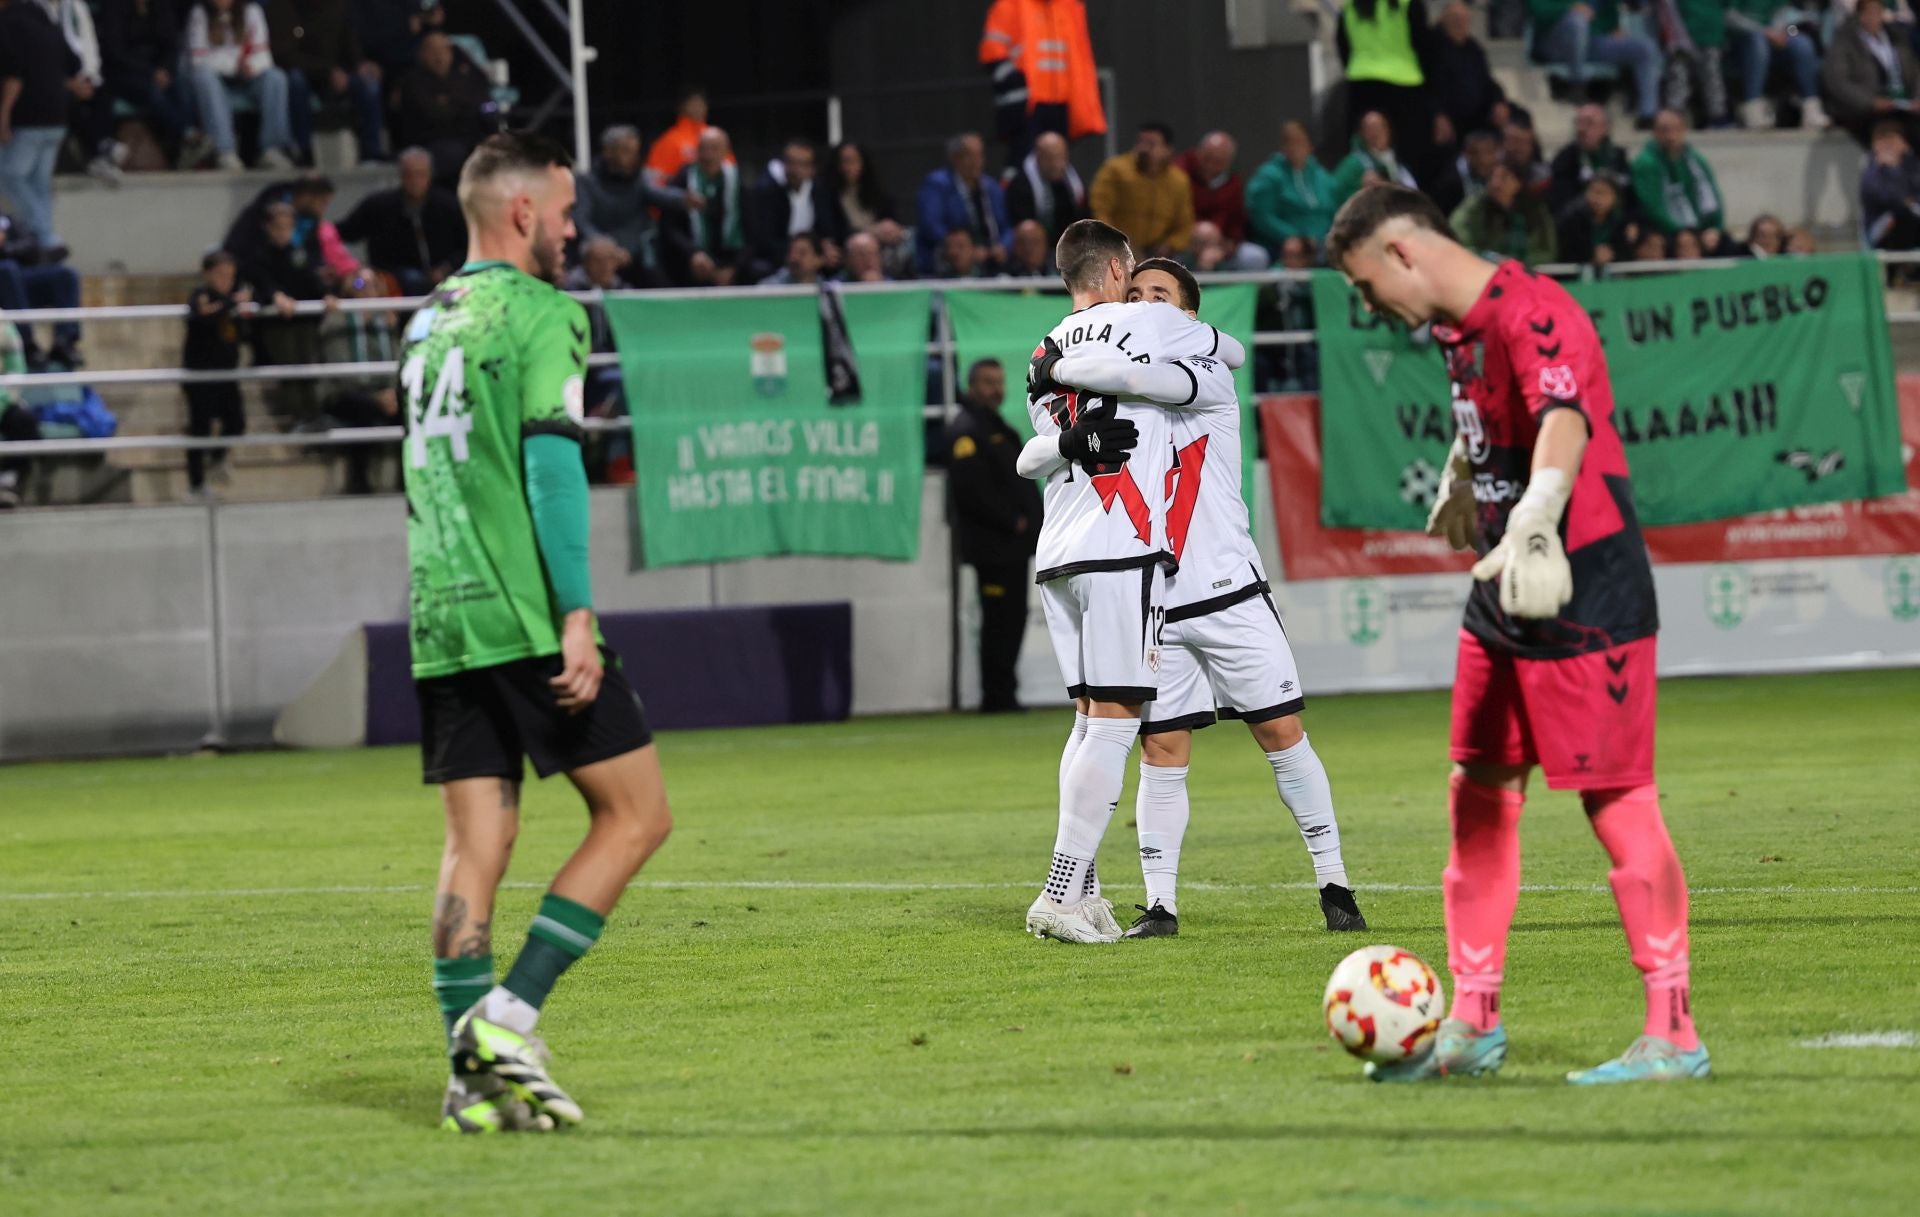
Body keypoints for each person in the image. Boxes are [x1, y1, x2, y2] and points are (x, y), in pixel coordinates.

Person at [1326, 183, 1706, 1085]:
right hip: (1503, 585)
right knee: (1478, 790)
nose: (1368, 304)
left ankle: (1674, 1031)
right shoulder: (1455, 328)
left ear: (1404, 252)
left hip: (1582, 582)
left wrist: (1538, 507)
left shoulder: (1533, 310)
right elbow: (1511, 415)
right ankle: (1472, 1019)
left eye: (1366, 282)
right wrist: (1473, 468)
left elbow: (1565, 416)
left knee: (1616, 800)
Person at [405, 129, 672, 1135]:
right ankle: (508, 1021)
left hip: (440, 609)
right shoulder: (543, 312)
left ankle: (467, 1075)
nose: (573, 228)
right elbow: (554, 469)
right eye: (564, 211)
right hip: (522, 605)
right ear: (522, 211)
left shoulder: (428, 319)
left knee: (477, 841)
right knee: (638, 815)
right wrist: (575, 612)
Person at [1027, 258, 1364, 937]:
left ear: (1187, 314)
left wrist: (1056, 362)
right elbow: (1040, 451)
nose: (1144, 306)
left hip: (1227, 584)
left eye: (1161, 297)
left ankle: (1336, 885)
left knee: (1281, 732)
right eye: (1137, 294)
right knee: (1162, 750)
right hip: (1152, 589)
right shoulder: (1111, 396)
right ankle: (1161, 903)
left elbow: (1138, 375)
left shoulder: (1205, 375)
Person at [1012, 217, 1244, 945]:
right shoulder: (1151, 320)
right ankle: (1058, 890)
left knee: (1086, 719)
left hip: (1060, 547)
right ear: (1117, 269)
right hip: (1123, 542)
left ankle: (1080, 891)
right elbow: (1232, 348)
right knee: (1116, 720)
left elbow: (1037, 451)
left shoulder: (1042, 348)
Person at [943, 357, 1042, 714]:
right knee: (999, 622)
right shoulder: (966, 430)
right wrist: (1012, 520)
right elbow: (972, 492)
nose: (995, 389)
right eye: (988, 382)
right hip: (993, 549)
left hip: (1013, 549)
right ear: (971, 386)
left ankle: (1004, 691)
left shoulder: (995, 427)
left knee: (1011, 620)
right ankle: (995, 695)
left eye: (999, 382)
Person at [979, 0, 1106, 163]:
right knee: (1023, 161)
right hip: (1026, 104)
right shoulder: (1010, 6)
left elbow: (1080, 58)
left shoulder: (1069, 8)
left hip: (1063, 104)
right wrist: (1016, 83)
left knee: (1057, 165)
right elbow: (993, 53)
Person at [263, 0, 385, 163]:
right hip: (305, 72)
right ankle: (304, 151)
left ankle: (371, 153)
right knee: (295, 81)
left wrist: (359, 64)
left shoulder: (338, 5)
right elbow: (284, 55)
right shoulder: (282, 7)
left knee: (369, 85)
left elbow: (348, 39)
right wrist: (327, 71)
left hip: (336, 73)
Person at [335, 146, 468, 295]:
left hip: (446, 275)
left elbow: (467, 245)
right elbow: (344, 232)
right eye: (408, 174)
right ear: (401, 175)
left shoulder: (449, 205)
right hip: (393, 278)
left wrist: (446, 267)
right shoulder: (379, 206)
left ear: (430, 175)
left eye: (420, 174)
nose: (414, 181)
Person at [0, 0, 79, 246]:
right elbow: (73, 62)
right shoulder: (46, 19)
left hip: (29, 116)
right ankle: (45, 241)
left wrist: (3, 118)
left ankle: (44, 235)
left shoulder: (7, 22)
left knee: (9, 175)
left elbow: (14, 77)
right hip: (57, 115)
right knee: (39, 184)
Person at [185, 0, 298, 171]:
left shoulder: (252, 11)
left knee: (276, 77)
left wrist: (252, 66)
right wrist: (233, 64)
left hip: (247, 80)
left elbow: (263, 55)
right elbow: (198, 58)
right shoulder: (200, 13)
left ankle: (272, 150)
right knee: (203, 77)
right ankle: (224, 150)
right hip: (218, 81)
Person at [572, 125, 689, 289]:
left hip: (633, 258)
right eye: (626, 151)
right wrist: (608, 249)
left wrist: (683, 198)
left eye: (635, 151)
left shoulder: (640, 179)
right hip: (597, 258)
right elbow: (582, 221)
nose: (633, 157)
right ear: (608, 152)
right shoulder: (586, 182)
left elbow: (658, 193)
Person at [95, 0, 207, 168]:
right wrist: (150, 72)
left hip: (159, 70)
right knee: (153, 91)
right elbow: (115, 51)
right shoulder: (114, 6)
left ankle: (185, 143)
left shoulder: (161, 5)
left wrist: (164, 69)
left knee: (181, 85)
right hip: (123, 72)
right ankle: (187, 135)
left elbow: (171, 45)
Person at [1529, 0, 1663, 130]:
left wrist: (1614, 27)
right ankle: (1577, 87)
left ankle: (1648, 115)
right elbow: (1538, 10)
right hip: (1554, 42)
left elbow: (1609, 13)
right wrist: (1569, 8)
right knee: (1577, 22)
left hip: (1591, 43)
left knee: (1644, 48)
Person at [180, 250, 249, 498]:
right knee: (200, 428)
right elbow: (202, 318)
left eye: (230, 276)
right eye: (220, 275)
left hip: (226, 373)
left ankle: (218, 456)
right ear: (207, 274)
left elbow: (240, 333)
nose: (226, 281)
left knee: (237, 422)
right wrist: (230, 304)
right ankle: (196, 484)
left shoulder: (231, 303)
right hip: (200, 375)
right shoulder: (200, 296)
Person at [1337, 0, 1435, 176]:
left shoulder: (1351, 7)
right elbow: (1423, 44)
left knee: (1364, 151)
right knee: (1408, 154)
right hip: (1403, 84)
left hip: (1362, 84)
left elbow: (1343, 45)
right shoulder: (1408, 4)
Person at [394, 30, 492, 183]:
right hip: (432, 142)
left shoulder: (466, 75)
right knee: (454, 155)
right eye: (433, 51)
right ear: (421, 54)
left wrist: (453, 103)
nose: (439, 56)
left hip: (469, 136)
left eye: (444, 50)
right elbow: (434, 115)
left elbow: (484, 103)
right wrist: (464, 105)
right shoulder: (413, 82)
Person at [746, 137, 847, 283]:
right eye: (790, 163)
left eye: (802, 164)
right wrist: (796, 253)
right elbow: (764, 240)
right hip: (781, 257)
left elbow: (830, 229)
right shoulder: (767, 192)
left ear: (812, 169)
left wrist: (825, 247)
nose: (795, 170)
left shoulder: (821, 191)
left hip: (814, 255)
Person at [1090, 121, 1195, 259]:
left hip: (1160, 253)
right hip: (1117, 247)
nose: (1143, 148)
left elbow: (1184, 224)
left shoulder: (1179, 180)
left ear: (1168, 150)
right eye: (1140, 142)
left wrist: (1171, 244)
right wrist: (1118, 241)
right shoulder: (1115, 170)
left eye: (1151, 144)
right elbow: (1100, 211)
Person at [1821, 0, 1920, 147]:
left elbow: (1914, 71)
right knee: (1888, 132)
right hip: (1862, 110)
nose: (1875, 18)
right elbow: (1838, 81)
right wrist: (1870, 102)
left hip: (1901, 104)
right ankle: (1886, 166)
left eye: (1878, 12)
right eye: (1871, 13)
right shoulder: (1846, 41)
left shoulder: (1896, 37)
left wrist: (1917, 97)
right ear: (1860, 15)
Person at [1423, 1, 1512, 164]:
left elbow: (1488, 82)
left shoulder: (1473, 49)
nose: (1460, 24)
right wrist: (1437, 114)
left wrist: (1499, 101)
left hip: (1478, 114)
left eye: (1464, 19)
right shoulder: (1432, 47)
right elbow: (1427, 87)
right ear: (1443, 20)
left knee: (1519, 119)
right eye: (1455, 19)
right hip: (1447, 115)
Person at [915, 131, 1012, 274]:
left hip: (992, 256)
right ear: (955, 158)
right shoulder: (937, 184)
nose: (975, 162)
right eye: (969, 156)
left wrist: (1003, 246)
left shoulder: (991, 186)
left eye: (979, 155)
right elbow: (931, 225)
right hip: (950, 258)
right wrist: (965, 248)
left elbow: (1007, 225)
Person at [660, 126, 745, 287]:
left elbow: (750, 231)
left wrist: (734, 267)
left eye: (714, 149)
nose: (708, 155)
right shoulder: (683, 179)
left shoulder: (736, 181)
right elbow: (669, 227)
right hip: (691, 259)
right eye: (703, 149)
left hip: (729, 260)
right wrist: (693, 254)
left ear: (726, 151)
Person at [1631, 108, 1726, 249]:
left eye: (1676, 129)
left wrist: (1715, 229)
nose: (1671, 136)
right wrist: (1683, 232)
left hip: (1699, 230)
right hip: (1665, 232)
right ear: (1655, 132)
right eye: (1664, 130)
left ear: (1684, 129)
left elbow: (1714, 197)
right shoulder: (1646, 163)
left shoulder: (1695, 160)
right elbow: (1652, 208)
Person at [0, 205, 83, 366]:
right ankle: (26, 343)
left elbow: (32, 247)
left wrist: (5, 247)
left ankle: (64, 341)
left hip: (20, 280)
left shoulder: (10, 220)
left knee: (66, 275)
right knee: (7, 269)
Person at [1725, 0, 1824, 130]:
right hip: (1737, 43)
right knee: (1757, 41)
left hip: (1770, 39)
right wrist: (1764, 31)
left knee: (1802, 44)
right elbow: (1728, 16)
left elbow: (1780, 12)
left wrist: (1778, 31)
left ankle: (1811, 108)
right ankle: (1752, 108)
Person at [1179, 131, 1269, 270]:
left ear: (1228, 162)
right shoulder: (1180, 175)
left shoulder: (1234, 184)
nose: (1210, 165)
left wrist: (1226, 246)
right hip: (1186, 242)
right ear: (1198, 153)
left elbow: (1236, 224)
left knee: (1256, 257)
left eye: (1218, 161)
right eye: (1207, 157)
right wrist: (1195, 239)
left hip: (1221, 246)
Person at [1246, 120, 1340, 252]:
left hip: (1323, 241)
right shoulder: (1268, 176)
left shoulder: (1322, 177)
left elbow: (1334, 213)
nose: (1295, 147)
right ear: (1283, 147)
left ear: (1310, 146)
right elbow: (1263, 217)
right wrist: (1296, 237)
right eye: (1290, 142)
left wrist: (1327, 237)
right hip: (1284, 243)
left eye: (1300, 142)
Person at [1451, 159, 1558, 264]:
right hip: (1484, 271)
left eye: (1504, 178)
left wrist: (1518, 262)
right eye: (1492, 178)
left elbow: (1548, 251)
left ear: (1518, 183)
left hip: (1528, 272)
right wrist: (1489, 257)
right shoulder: (1474, 208)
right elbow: (1458, 240)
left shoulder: (1535, 209)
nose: (1495, 183)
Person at [1005, 131, 1089, 245]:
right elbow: (1020, 222)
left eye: (1060, 157)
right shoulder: (1021, 184)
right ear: (1038, 156)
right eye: (1049, 158)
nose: (1055, 164)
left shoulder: (1074, 182)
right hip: (1037, 246)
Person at [1549, 102, 1633, 213]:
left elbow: (1630, 199)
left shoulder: (1618, 157)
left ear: (1605, 128)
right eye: (1579, 123)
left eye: (1589, 123)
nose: (1581, 129)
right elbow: (1563, 207)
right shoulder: (1565, 161)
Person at [1660, 0, 1731, 130]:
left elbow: (1726, 6)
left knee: (1712, 76)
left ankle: (1717, 117)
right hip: (1679, 33)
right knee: (1679, 77)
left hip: (1710, 31)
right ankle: (1674, 117)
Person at [1331, 111, 1420, 208]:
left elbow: (1414, 196)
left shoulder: (1398, 165)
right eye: (1368, 128)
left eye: (1378, 127)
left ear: (1388, 130)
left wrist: (1385, 186)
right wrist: (1360, 191)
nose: (1374, 133)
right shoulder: (1352, 164)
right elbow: (1333, 195)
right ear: (1361, 134)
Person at [1863, 118, 1920, 249]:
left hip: (1914, 221)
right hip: (1884, 229)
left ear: (1903, 143)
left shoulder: (1914, 166)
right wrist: (1893, 170)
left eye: (1892, 141)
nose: (1887, 147)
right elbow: (1892, 199)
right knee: (1899, 218)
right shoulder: (1871, 172)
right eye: (1882, 141)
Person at [1555, 171, 1634, 265]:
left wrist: (1612, 255)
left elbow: (1624, 254)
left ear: (1615, 198)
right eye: (1593, 191)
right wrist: (1591, 256)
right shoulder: (1571, 218)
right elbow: (1563, 253)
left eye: (1603, 193)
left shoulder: (1620, 220)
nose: (1597, 198)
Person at [0, 316, 38, 507]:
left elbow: (17, 369)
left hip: (2, 398)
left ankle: (8, 482)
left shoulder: (3, 324)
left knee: (23, 421)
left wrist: (3, 399)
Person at [644, 87, 717, 184]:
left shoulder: (717, 139)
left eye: (701, 104)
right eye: (694, 104)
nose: (698, 109)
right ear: (681, 108)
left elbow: (730, 171)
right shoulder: (669, 140)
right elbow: (654, 180)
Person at [1431, 129, 1502, 215]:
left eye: (1491, 152)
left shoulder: (1500, 172)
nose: (1485, 160)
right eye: (1475, 153)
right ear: (1467, 154)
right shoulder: (1449, 184)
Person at [758, 232, 826, 286]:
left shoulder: (828, 290)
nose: (794, 258)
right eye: (792, 252)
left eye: (802, 253)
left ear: (819, 259)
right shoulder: (769, 288)